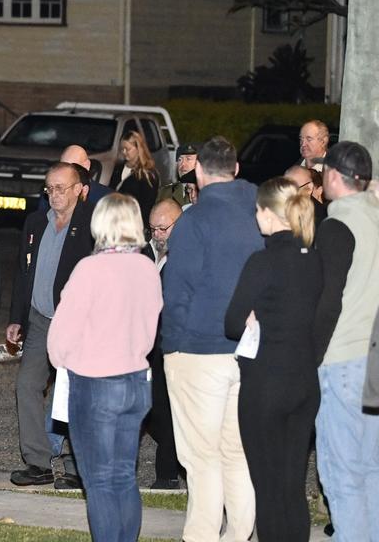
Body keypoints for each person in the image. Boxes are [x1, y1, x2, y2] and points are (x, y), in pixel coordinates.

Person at [160, 135, 263, 541]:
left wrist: (170, 347)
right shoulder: (261, 212)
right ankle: (238, 534)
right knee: (237, 454)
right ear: (236, 169)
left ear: (198, 172)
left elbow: (176, 292)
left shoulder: (195, 222)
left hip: (198, 351)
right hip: (248, 350)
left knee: (201, 458)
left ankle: (201, 535)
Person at [49, 193, 161, 542]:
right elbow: (152, 326)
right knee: (123, 476)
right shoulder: (147, 267)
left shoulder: (90, 269)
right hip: (136, 382)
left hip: (95, 384)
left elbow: (59, 338)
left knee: (98, 480)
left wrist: (63, 361)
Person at [224, 176, 323, 542]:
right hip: (304, 383)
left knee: (267, 486)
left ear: (267, 214)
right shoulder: (314, 259)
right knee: (292, 483)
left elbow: (233, 322)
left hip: (266, 383)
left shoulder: (262, 261)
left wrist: (253, 318)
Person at [9, 162, 93, 489]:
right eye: (49, 188)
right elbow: (22, 273)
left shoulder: (90, 226)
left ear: (78, 190)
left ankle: (76, 468)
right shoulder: (35, 222)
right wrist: (16, 317)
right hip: (39, 320)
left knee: (72, 393)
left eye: (61, 187)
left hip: (76, 324)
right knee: (26, 385)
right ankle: (38, 462)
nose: (54, 194)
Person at [310, 141, 379, 538]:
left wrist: (309, 360)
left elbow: (327, 302)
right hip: (373, 361)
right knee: (370, 470)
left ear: (334, 177)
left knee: (342, 475)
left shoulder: (337, 227)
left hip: (344, 361)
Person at [144, 198, 183, 489]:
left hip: (170, 342)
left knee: (167, 409)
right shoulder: (145, 254)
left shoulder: (186, 257)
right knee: (150, 409)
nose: (157, 235)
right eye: (153, 228)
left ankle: (167, 474)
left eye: (163, 229)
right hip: (144, 344)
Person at [115, 129, 160, 227]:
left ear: (138, 148)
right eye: (122, 149)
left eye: (128, 149)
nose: (124, 152)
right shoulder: (118, 168)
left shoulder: (148, 174)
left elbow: (147, 205)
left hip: (136, 224)